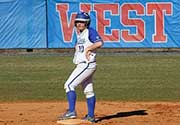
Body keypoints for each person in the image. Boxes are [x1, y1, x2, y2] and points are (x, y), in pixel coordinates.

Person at [58, 11, 103, 123]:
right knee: (88, 91)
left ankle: (71, 112)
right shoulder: (80, 34)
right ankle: (91, 116)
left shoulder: (89, 31)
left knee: (69, 85)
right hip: (85, 65)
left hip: (86, 65)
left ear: (87, 23)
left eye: (82, 22)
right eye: (78, 21)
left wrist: (88, 49)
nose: (79, 24)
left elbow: (100, 43)